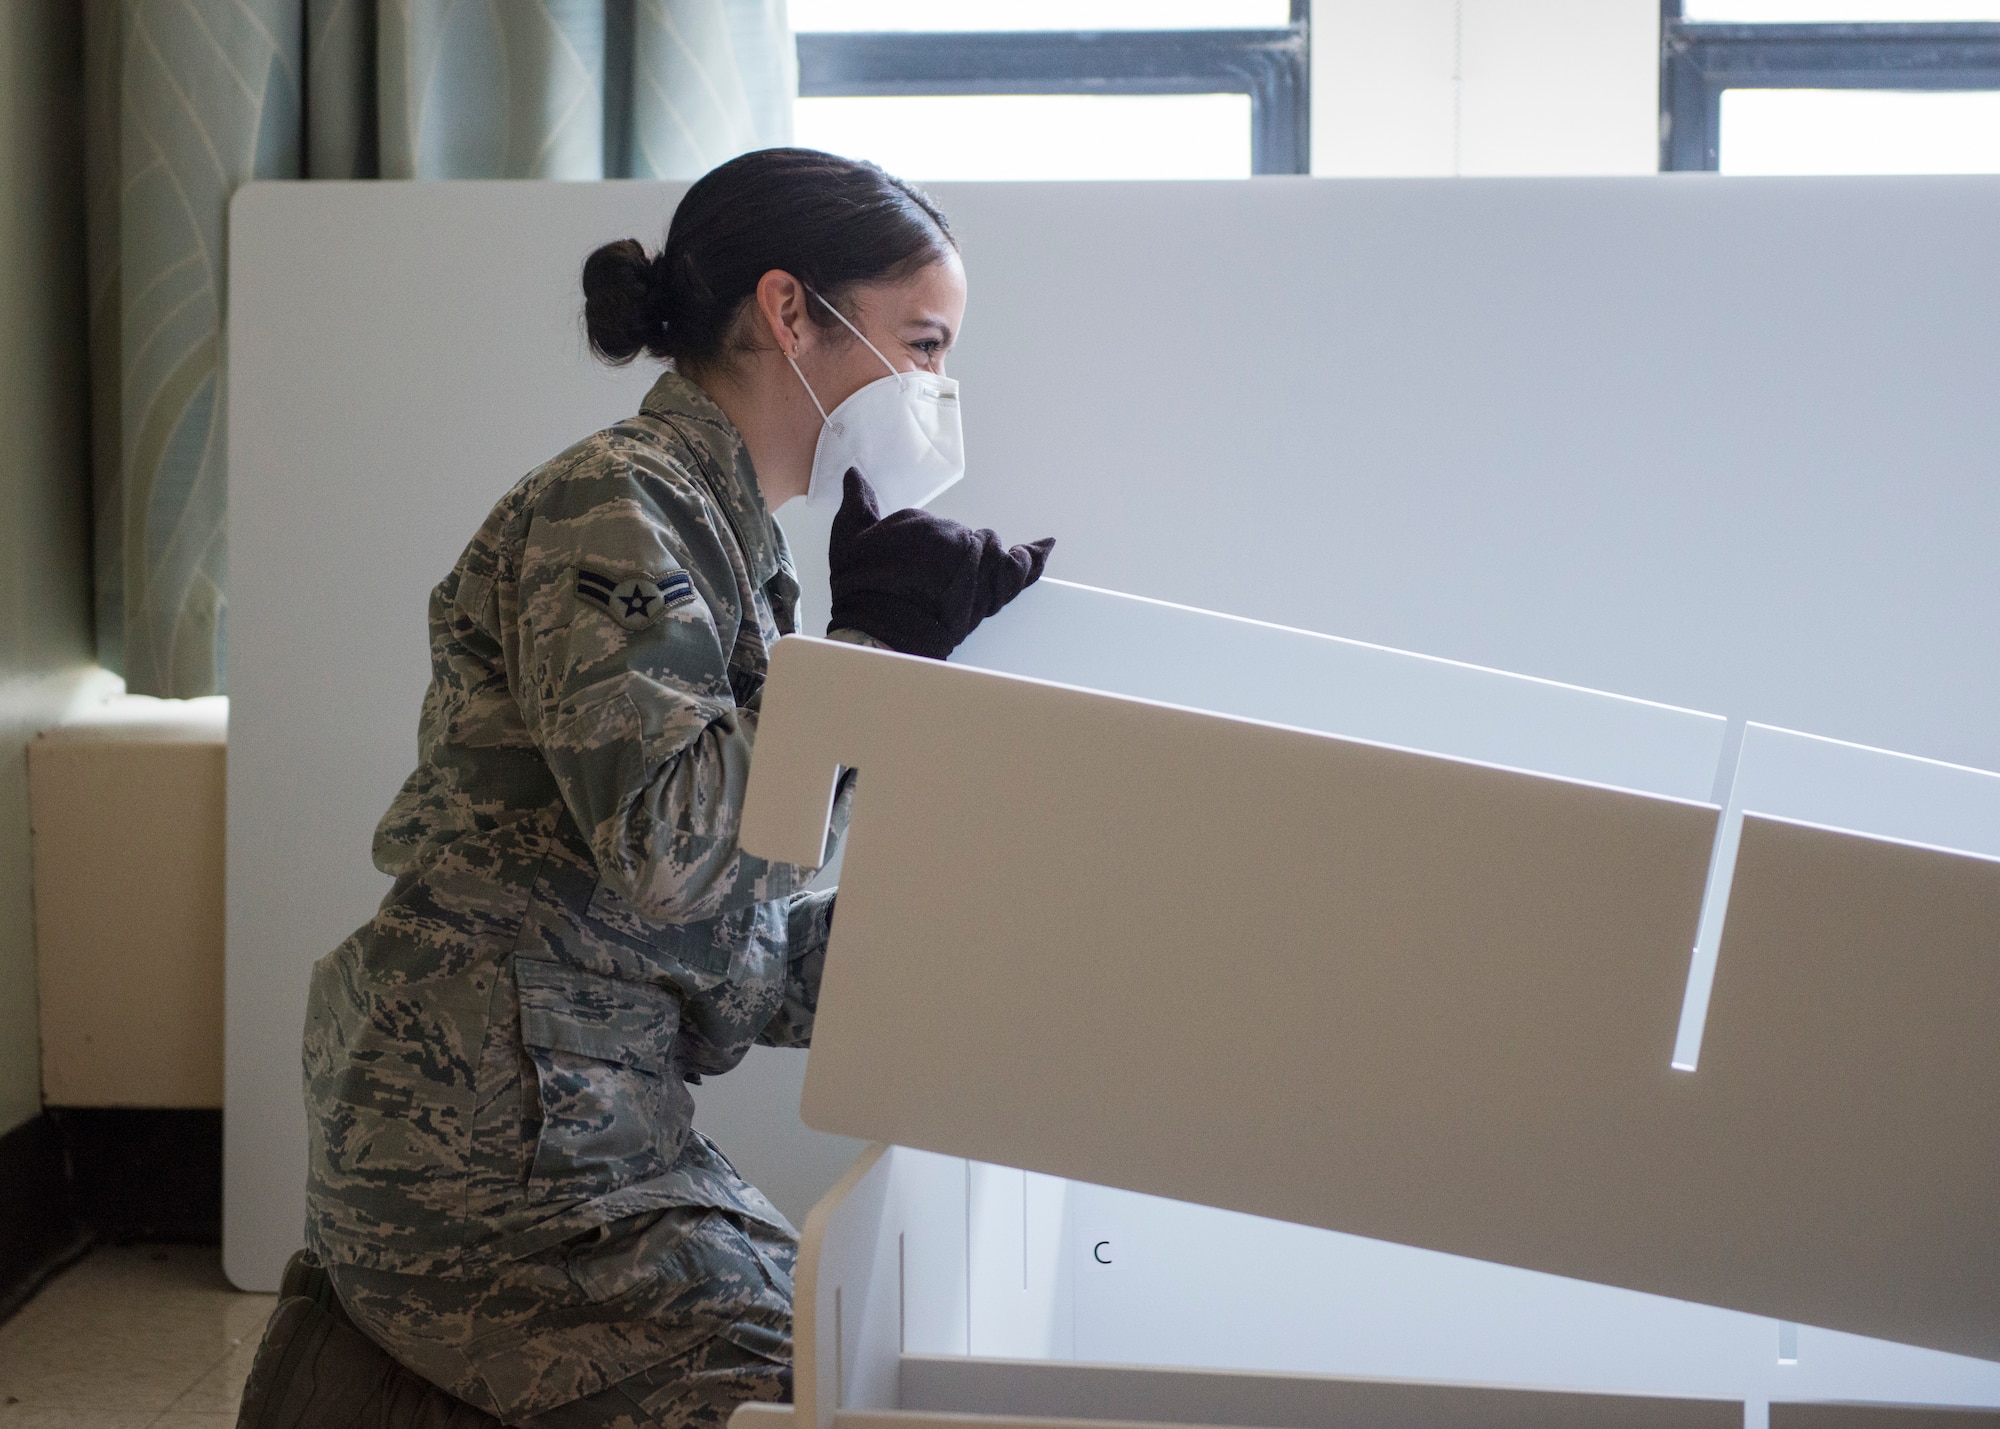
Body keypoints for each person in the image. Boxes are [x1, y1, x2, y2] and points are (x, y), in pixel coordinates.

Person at [236, 148, 1054, 1429]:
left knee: (847, 1342)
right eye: (923, 342)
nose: (937, 388)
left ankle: (370, 1367)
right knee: (823, 1384)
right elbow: (669, 850)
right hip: (497, 1134)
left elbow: (723, 933)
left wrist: (983, 941)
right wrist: (868, 663)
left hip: (577, 1112)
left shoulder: (724, 543)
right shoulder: (615, 503)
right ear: (790, 312)